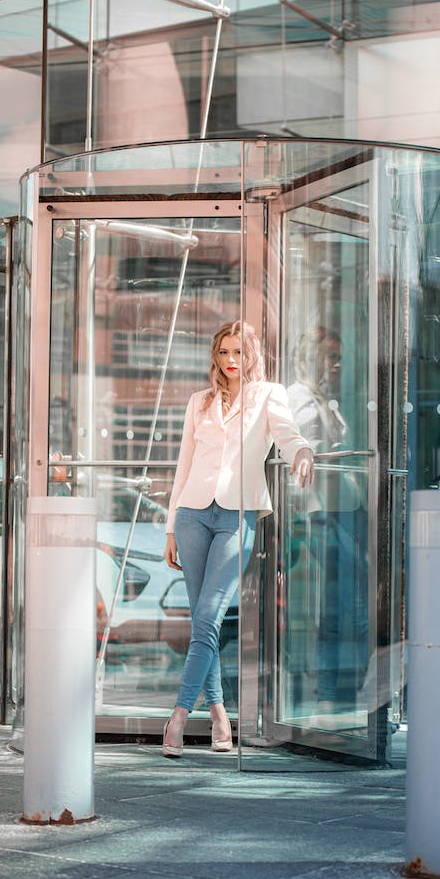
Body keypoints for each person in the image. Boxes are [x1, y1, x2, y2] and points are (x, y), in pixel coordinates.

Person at [162, 321, 314, 757]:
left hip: (237, 515)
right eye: (224, 352)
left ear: (253, 356)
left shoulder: (269, 395)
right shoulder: (199, 402)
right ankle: (219, 717)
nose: (231, 360)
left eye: (239, 353)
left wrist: (302, 450)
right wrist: (171, 528)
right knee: (201, 622)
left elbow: (285, 434)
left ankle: (177, 716)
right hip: (192, 514)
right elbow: (183, 465)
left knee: (209, 615)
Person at [286, 326, 368, 721]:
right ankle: (330, 690)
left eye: (340, 358)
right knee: (335, 605)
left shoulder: (323, 399)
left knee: (346, 604)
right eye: (330, 357)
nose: (337, 365)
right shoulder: (301, 398)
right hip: (326, 513)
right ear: (311, 357)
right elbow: (299, 457)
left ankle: (340, 688)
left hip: (345, 510)